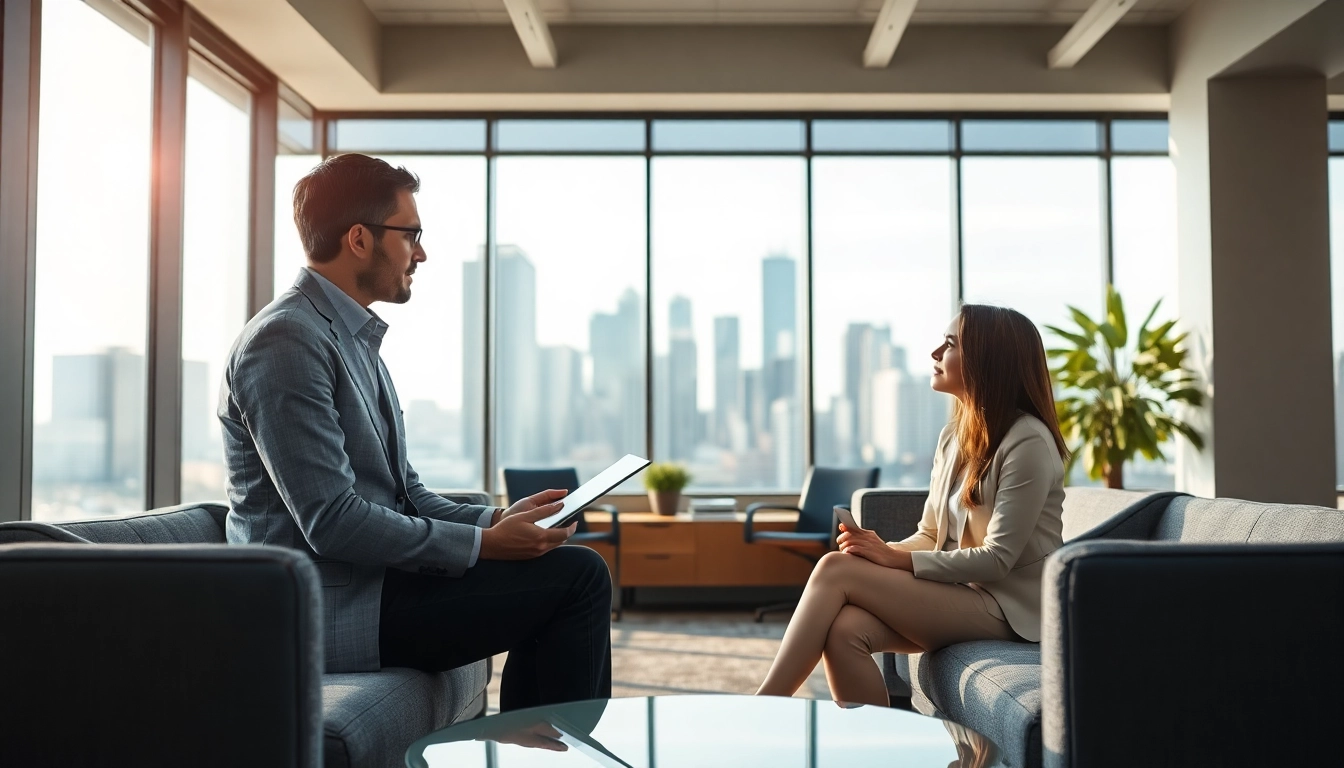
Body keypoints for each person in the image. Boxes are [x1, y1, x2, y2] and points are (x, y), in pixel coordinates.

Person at [219, 153, 611, 709]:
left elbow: (407, 494)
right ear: (360, 239)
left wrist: (497, 521)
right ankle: (552, 748)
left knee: (560, 570)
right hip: (321, 609)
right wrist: (485, 546)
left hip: (373, 587)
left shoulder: (351, 339)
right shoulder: (285, 341)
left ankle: (539, 745)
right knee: (578, 577)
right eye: (411, 235)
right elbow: (332, 521)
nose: (420, 253)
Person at [756, 304, 1067, 706]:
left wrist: (893, 559)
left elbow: (997, 560)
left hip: (1011, 612)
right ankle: (870, 742)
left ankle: (764, 706)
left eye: (950, 344)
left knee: (834, 568)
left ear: (987, 359)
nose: (936, 353)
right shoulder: (954, 437)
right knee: (845, 629)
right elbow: (930, 534)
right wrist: (879, 553)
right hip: (962, 594)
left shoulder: (1028, 441)